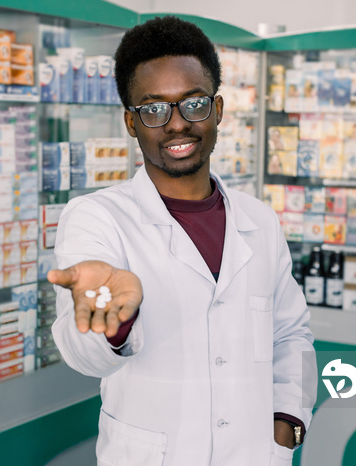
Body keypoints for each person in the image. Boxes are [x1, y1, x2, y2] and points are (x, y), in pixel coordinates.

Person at [48, 16, 317, 466]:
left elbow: (291, 332)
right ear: (132, 123)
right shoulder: (97, 217)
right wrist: (113, 321)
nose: (176, 125)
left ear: (218, 110)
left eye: (193, 103)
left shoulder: (259, 221)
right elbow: (83, 356)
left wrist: (287, 420)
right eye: (154, 109)